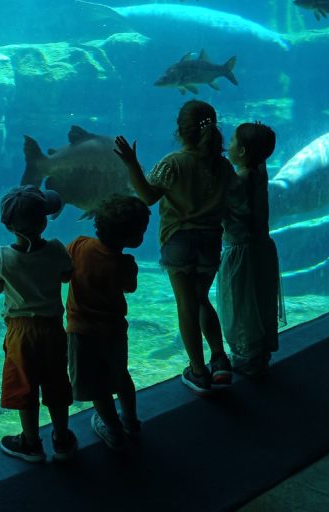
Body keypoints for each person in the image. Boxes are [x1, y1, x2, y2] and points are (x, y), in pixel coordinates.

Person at [114, 100, 236, 395]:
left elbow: (146, 197)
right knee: (201, 298)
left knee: (187, 305)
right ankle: (219, 359)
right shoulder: (222, 165)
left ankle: (198, 371)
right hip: (210, 240)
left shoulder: (173, 163)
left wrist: (131, 164)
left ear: (180, 130)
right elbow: (234, 196)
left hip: (178, 240)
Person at [0, 185, 78, 463]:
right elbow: (66, 276)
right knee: (56, 382)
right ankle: (62, 439)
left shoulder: (3, 256)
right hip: (51, 328)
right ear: (44, 220)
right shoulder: (56, 249)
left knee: (25, 385)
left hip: (20, 331)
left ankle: (30, 442)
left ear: (8, 226)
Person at [65, 195, 150, 450]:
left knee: (96, 387)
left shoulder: (78, 246)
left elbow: (63, 272)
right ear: (132, 238)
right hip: (114, 332)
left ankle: (112, 429)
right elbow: (130, 288)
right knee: (121, 377)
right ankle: (130, 421)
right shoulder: (125, 263)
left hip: (81, 334)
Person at [216, 122, 282, 379]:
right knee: (260, 301)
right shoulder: (259, 172)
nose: (227, 146)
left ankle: (246, 356)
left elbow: (223, 201)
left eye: (231, 142)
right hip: (262, 249)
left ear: (242, 151)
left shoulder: (240, 179)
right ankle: (261, 352)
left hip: (241, 252)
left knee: (240, 305)